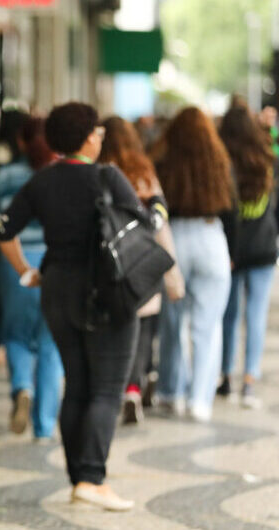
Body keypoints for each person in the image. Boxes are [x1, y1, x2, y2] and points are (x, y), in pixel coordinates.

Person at [0, 102, 160, 511]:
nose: (101, 139)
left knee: (77, 386)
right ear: (88, 137)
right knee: (106, 389)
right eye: (98, 134)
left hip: (56, 288)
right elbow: (146, 227)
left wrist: (25, 271)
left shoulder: (41, 181)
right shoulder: (106, 177)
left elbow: (2, 228)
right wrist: (158, 206)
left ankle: (78, 476)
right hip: (106, 292)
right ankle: (92, 479)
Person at [0, 116, 64, 441]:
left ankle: (22, 386)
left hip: (13, 263)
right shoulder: (62, 176)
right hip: (55, 263)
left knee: (16, 335)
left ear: (21, 141)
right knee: (50, 344)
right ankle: (44, 425)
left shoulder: (4, 177)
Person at [98, 116, 185, 424]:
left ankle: (117, 388)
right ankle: (134, 387)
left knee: (113, 330)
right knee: (144, 331)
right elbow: (161, 223)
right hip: (143, 262)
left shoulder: (98, 171)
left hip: (108, 263)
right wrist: (170, 269)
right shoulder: (143, 170)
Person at [154, 106, 237, 423]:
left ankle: (171, 392)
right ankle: (200, 400)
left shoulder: (165, 161)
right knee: (208, 325)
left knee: (172, 322)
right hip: (210, 234)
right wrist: (233, 251)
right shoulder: (219, 160)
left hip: (173, 237)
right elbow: (233, 210)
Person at [217, 102, 277, 408]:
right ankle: (249, 380)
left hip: (233, 249)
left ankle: (226, 376)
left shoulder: (223, 160)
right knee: (256, 315)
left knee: (229, 314)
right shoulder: (267, 157)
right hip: (264, 247)